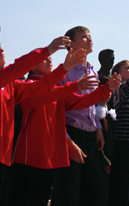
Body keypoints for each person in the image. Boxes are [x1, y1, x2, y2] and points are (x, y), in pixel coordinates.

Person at [0, 34, 79, 206]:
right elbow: (16, 69)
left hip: (0, 157)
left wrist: (64, 69)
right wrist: (47, 50)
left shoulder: (10, 83)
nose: (1, 49)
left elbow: (38, 89)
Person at [10, 52, 120, 206]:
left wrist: (106, 88)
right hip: (29, 156)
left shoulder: (57, 90)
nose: (49, 60)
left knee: (41, 198)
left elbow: (81, 101)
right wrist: (74, 85)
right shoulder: (28, 87)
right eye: (44, 59)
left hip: (49, 156)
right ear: (32, 66)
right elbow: (43, 94)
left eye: (50, 58)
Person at [53, 26, 107, 206]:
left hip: (91, 137)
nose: (90, 39)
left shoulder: (93, 72)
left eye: (90, 36)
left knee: (95, 193)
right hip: (72, 134)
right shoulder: (64, 72)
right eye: (84, 36)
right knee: (69, 192)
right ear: (71, 44)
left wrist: (98, 128)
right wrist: (67, 139)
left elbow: (91, 104)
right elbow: (57, 109)